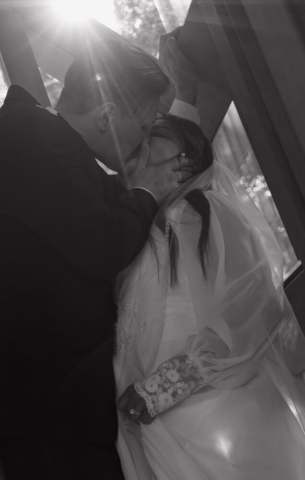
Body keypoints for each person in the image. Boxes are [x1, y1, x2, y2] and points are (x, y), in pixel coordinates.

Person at [0, 21, 195, 480]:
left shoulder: (55, 145)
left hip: (65, 408)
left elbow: (102, 212)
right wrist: (144, 189)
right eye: (140, 129)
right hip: (47, 411)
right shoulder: (33, 139)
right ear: (105, 116)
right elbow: (104, 245)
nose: (141, 143)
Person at [114, 113, 305, 479]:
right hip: (154, 418)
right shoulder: (142, 222)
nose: (145, 139)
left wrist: (169, 383)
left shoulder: (203, 208)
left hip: (217, 403)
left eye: (157, 134)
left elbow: (253, 299)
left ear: (187, 157)